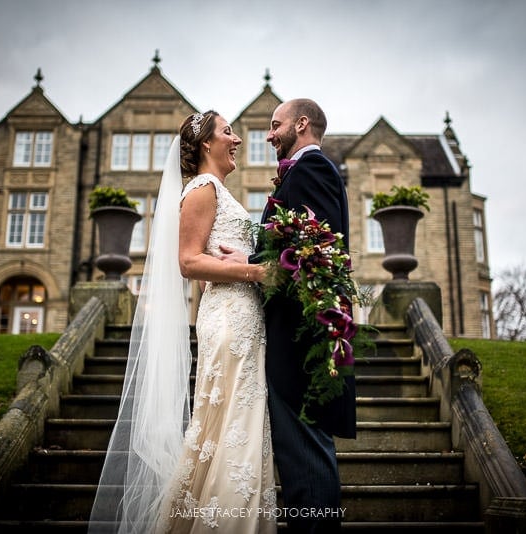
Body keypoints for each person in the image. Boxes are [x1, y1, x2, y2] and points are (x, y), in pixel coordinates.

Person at [88, 111, 277, 534]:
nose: (238, 140)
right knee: (234, 429)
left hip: (242, 316)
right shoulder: (202, 189)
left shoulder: (218, 190)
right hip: (229, 319)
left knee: (233, 428)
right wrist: (258, 272)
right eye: (228, 132)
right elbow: (189, 262)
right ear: (206, 145)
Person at [222, 98, 356, 533]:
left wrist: (248, 264)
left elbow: (313, 255)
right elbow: (297, 246)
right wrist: (255, 255)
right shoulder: (303, 173)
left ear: (301, 124)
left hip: (302, 343)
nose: (267, 134)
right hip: (300, 339)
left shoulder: (310, 170)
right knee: (299, 462)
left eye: (274, 125)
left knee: (306, 462)